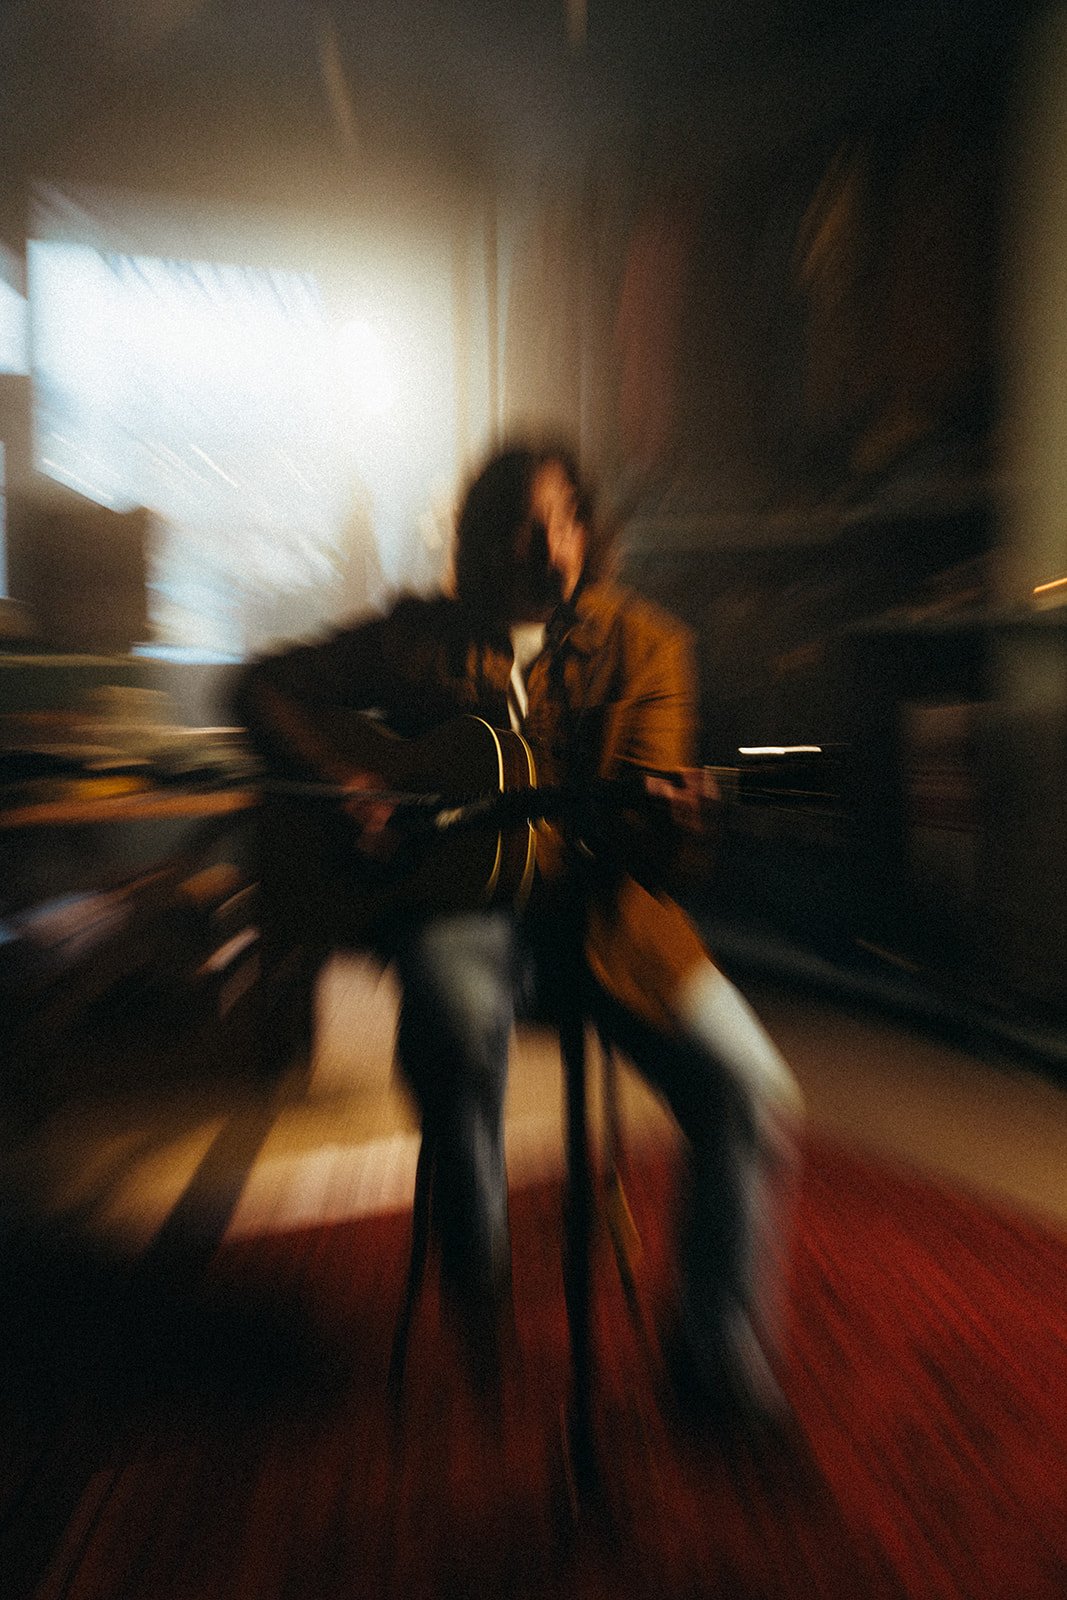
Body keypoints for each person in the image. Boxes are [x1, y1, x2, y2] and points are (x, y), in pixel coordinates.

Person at [233, 440, 801, 1428]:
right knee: (454, 1025)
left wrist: (675, 825)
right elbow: (260, 686)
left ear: (588, 530)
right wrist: (348, 780)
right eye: (523, 525)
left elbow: (654, 865)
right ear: (483, 537)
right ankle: (478, 1262)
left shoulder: (647, 647)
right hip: (461, 910)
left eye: (564, 521)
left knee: (750, 1088)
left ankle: (715, 1361)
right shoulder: (420, 639)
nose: (548, 545)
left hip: (612, 927)